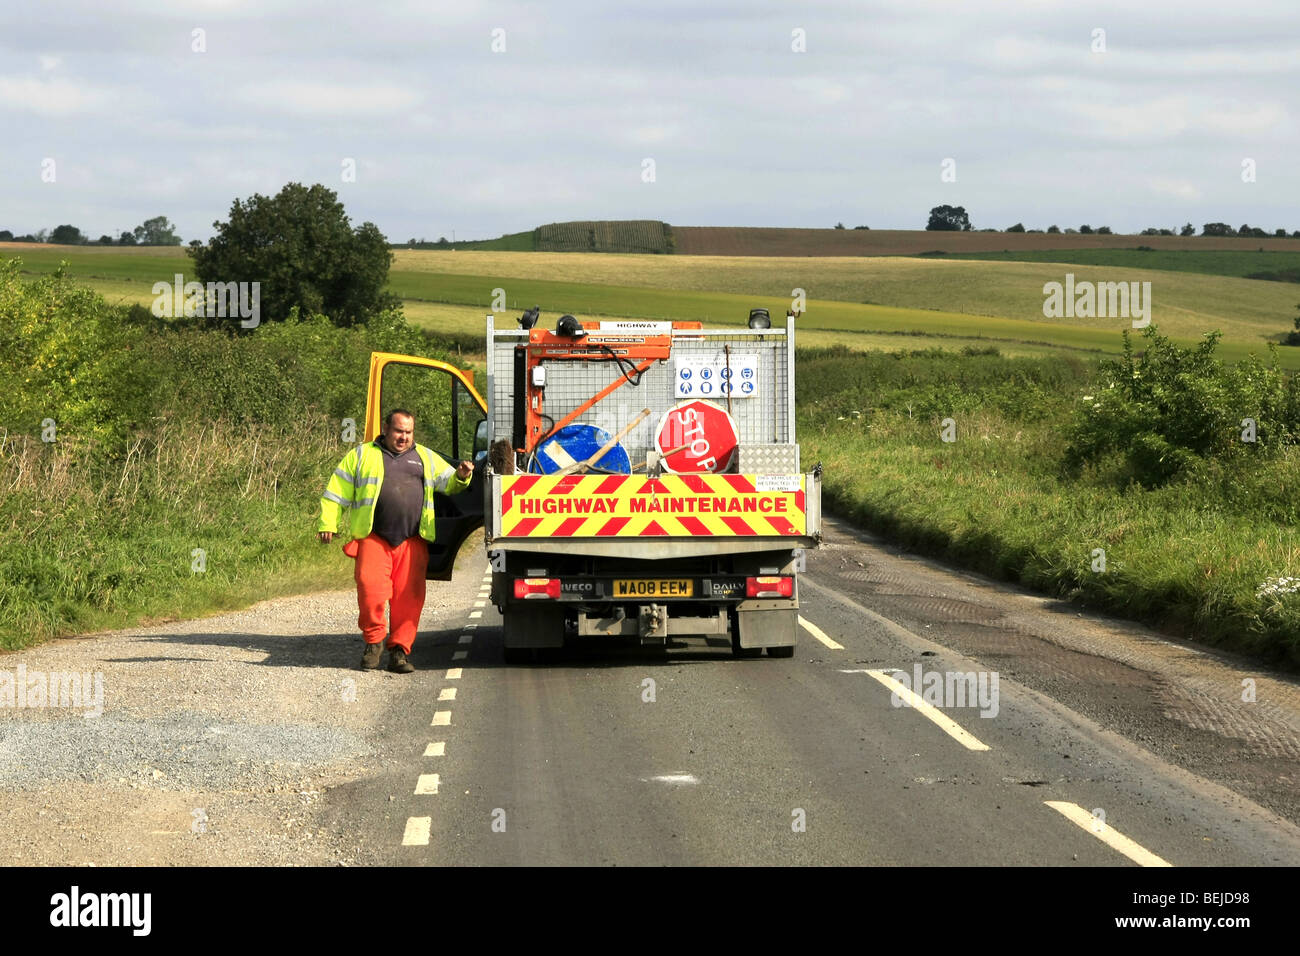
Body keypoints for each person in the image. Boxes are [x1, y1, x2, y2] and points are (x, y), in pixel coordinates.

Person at [317, 409, 473, 673]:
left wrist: (462, 475)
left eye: (408, 432)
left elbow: (449, 483)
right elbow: (335, 492)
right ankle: (374, 642)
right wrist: (328, 523)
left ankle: (400, 652)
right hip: (373, 537)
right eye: (399, 431)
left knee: (408, 599)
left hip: (412, 540)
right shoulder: (361, 455)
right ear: (386, 428)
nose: (404, 437)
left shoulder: (424, 456)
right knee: (370, 591)